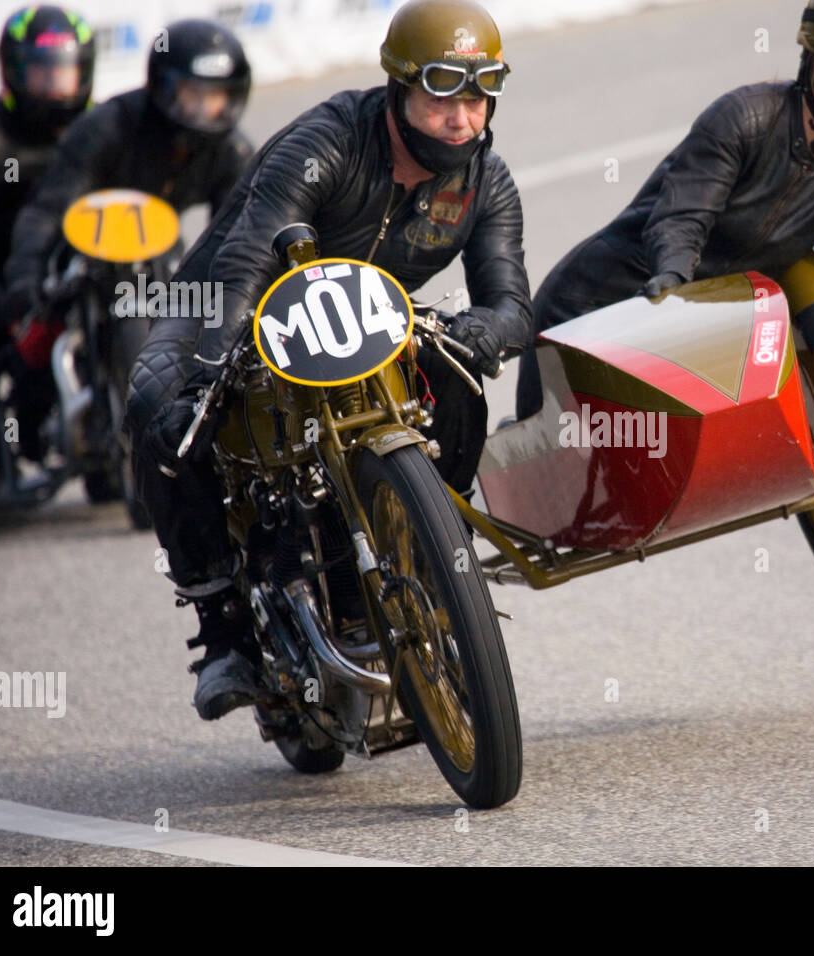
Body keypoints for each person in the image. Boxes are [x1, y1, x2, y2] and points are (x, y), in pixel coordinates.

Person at [125, 0, 532, 721]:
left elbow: (511, 307)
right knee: (158, 408)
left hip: (359, 311)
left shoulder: (485, 182)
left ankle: (431, 547)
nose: (462, 117)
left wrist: (480, 332)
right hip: (225, 295)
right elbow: (247, 258)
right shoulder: (327, 143)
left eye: (478, 95)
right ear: (400, 88)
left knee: (455, 377)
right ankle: (223, 634)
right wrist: (207, 367)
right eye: (443, 95)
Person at [515, 0, 814, 471]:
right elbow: (681, 217)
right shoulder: (743, 119)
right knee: (551, 464)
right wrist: (673, 277)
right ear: (812, 61)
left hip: (712, 330)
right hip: (596, 308)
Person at [2, 18, 255, 372]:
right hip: (87, 257)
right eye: (191, 94)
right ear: (163, 86)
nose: (202, 108)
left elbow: (242, 234)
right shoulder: (106, 126)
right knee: (28, 358)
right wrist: (25, 278)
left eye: (213, 96)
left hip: (162, 258)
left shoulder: (233, 152)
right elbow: (48, 209)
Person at [0, 6, 95, 468]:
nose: (53, 85)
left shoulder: (98, 129)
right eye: (41, 73)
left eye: (63, 72)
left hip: (75, 283)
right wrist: (6, 307)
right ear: (14, 72)